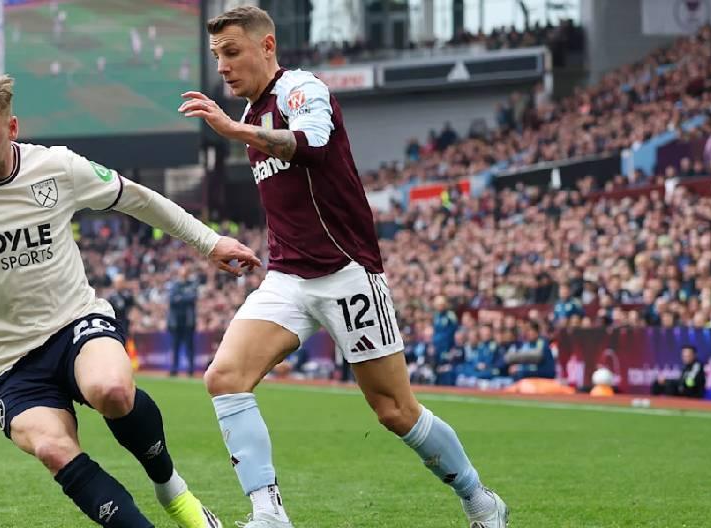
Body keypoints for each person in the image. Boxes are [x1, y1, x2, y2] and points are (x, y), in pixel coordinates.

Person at [0, 75, 262, 528]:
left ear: (12, 128)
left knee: (111, 390)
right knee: (54, 448)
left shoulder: (56, 168)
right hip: (6, 361)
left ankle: (173, 491)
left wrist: (209, 242)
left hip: (73, 324)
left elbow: (138, 200)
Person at [179, 6, 507, 527]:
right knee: (224, 377)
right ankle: (269, 516)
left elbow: (313, 145)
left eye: (233, 52)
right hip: (287, 276)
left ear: (267, 47)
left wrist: (231, 130)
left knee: (395, 411)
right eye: (218, 55)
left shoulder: (301, 89)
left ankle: (480, 499)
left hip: (346, 272)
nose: (222, 66)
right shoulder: (247, 116)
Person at [168, 265, 200, 377]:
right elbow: (171, 299)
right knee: (175, 346)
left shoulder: (192, 284)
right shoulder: (174, 285)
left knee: (189, 347)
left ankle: (190, 369)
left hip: (188, 321)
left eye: (185, 272)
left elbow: (193, 297)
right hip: (176, 322)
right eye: (182, 273)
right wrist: (184, 297)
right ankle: (174, 369)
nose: (183, 275)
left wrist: (180, 298)